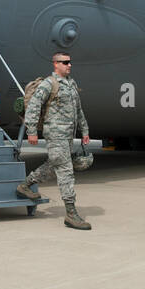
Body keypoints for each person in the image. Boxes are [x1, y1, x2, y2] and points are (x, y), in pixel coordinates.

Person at [16, 53, 92, 229]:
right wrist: (32, 131)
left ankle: (25, 185)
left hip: (68, 135)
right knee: (66, 171)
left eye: (70, 62)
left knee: (54, 164)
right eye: (65, 62)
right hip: (55, 134)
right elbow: (34, 107)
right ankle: (71, 214)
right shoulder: (49, 84)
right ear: (55, 64)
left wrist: (85, 130)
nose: (69, 65)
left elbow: (78, 110)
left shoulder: (72, 84)